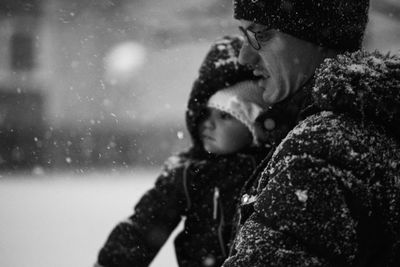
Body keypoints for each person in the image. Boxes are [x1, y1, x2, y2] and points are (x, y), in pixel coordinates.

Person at [222, 0, 400, 266]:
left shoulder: (322, 149)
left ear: (318, 36)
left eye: (261, 33)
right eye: (243, 34)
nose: (244, 56)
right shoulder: (367, 129)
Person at [95, 35, 273, 267]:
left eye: (225, 116)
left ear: (255, 127)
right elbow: (144, 228)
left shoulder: (272, 168)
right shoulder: (189, 171)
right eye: (205, 114)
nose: (208, 124)